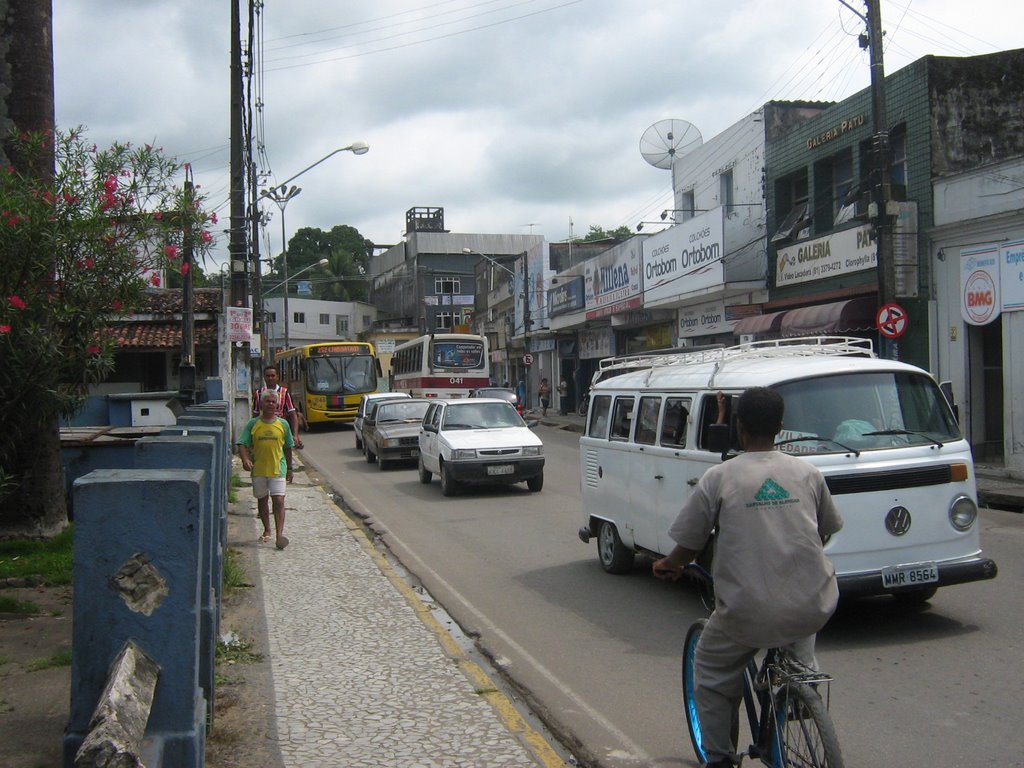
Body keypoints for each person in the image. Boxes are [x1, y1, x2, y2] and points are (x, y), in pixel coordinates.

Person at [652, 387, 843, 768]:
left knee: (710, 671)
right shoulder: (807, 473)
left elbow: (689, 545)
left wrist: (670, 564)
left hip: (746, 612)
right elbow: (826, 530)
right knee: (798, 644)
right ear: (782, 427)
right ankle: (800, 689)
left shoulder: (720, 477)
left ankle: (720, 758)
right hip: (812, 604)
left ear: (738, 427)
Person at [237, 389, 296, 550]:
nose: (270, 404)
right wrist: (245, 459)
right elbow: (242, 443)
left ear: (277, 404)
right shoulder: (253, 424)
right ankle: (267, 529)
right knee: (262, 500)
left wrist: (290, 469)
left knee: (278, 500)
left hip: (278, 468)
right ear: (261, 404)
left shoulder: (283, 424)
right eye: (267, 401)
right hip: (259, 469)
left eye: (273, 401)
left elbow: (289, 447)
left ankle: (279, 535)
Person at [253, 364, 303, 449]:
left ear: (277, 377)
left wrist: (295, 435)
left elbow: (293, 414)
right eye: (268, 376)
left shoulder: (285, 393)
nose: (270, 378)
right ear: (264, 377)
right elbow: (255, 415)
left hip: (281, 430)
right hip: (263, 430)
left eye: (273, 376)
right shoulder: (259, 393)